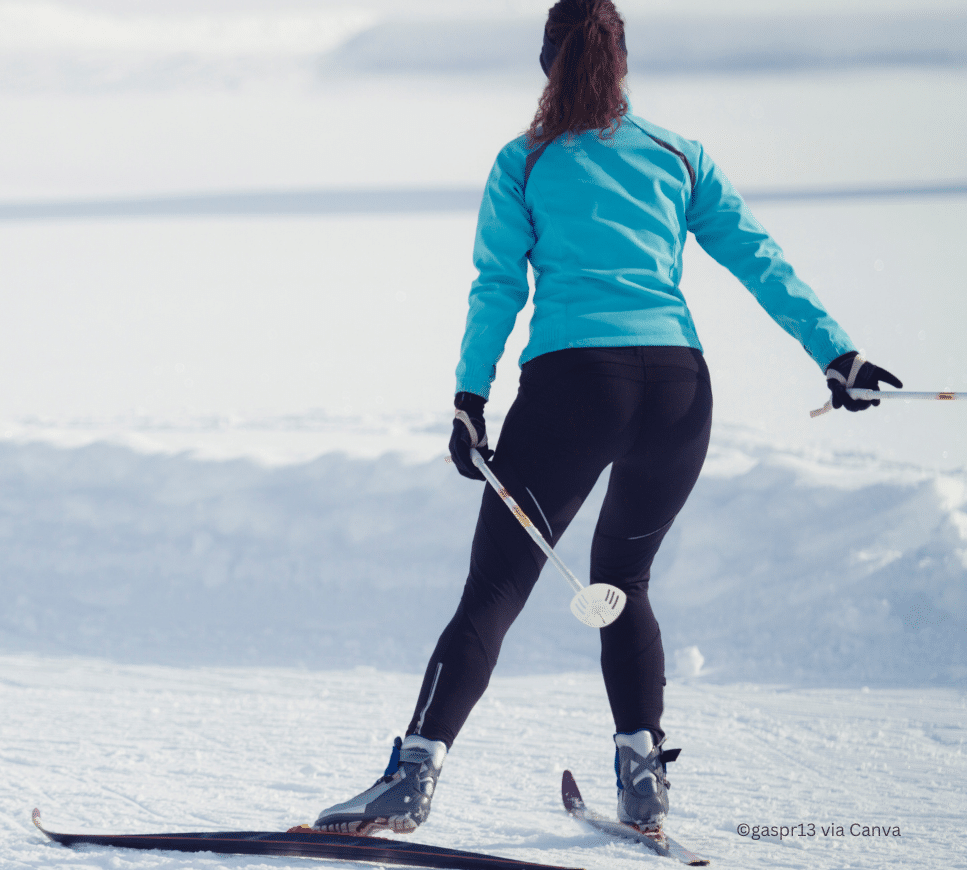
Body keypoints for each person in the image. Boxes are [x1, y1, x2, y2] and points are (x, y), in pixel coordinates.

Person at [311, 0, 900, 838]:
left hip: (573, 389)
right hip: (676, 392)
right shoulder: (679, 156)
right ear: (622, 62)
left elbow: (497, 287)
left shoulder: (524, 162)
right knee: (624, 584)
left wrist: (469, 399)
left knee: (497, 588)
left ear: (546, 61)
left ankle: (413, 776)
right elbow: (756, 255)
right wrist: (835, 354)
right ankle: (643, 776)